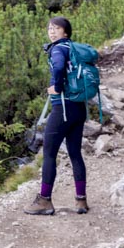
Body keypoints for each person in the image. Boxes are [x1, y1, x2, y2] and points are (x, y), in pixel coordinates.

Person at [24, 16, 89, 215]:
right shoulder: (73, 49)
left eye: (56, 28)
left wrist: (56, 88)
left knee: (49, 153)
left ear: (65, 32)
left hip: (62, 108)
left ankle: (44, 200)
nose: (52, 31)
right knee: (75, 153)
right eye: (50, 28)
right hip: (79, 108)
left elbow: (59, 67)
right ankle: (81, 201)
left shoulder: (59, 49)